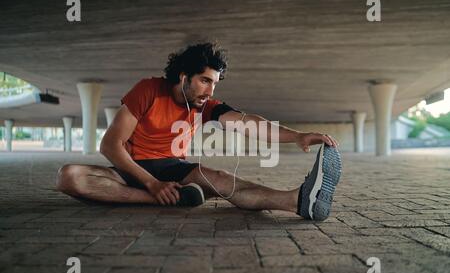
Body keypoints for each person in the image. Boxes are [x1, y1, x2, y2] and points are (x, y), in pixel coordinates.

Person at [56, 42, 341, 221]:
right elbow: (110, 146)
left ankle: (297, 201)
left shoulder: (205, 106)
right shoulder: (148, 90)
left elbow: (249, 123)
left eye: (215, 83)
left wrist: (298, 136)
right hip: (130, 170)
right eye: (205, 81)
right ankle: (175, 199)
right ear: (184, 77)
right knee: (69, 176)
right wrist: (152, 185)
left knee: (221, 179)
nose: (210, 90)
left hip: (175, 169)